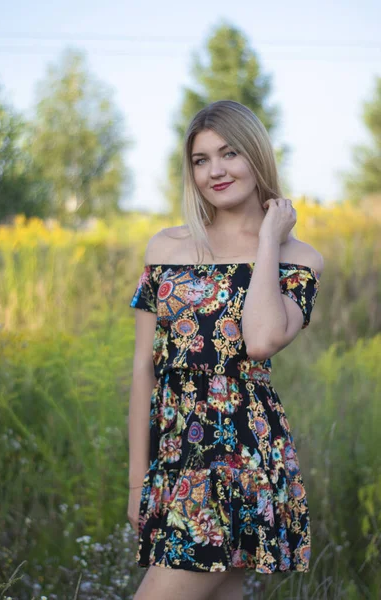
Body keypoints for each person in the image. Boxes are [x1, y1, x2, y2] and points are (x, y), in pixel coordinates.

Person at [127, 99, 324, 600]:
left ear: (256, 156)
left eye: (229, 153)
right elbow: (143, 370)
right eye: (200, 159)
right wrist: (138, 483)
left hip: (240, 456)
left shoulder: (298, 259)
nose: (215, 170)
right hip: (174, 456)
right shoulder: (165, 248)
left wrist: (267, 243)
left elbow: (259, 341)